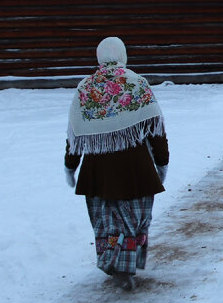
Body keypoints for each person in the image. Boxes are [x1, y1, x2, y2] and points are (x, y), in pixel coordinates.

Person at [64, 37, 169, 290]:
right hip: (136, 169)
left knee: (106, 220)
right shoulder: (137, 84)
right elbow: (155, 129)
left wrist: (71, 165)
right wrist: (161, 162)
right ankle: (125, 264)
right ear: (123, 55)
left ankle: (114, 263)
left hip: (98, 171)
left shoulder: (86, 88)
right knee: (133, 218)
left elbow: (76, 134)